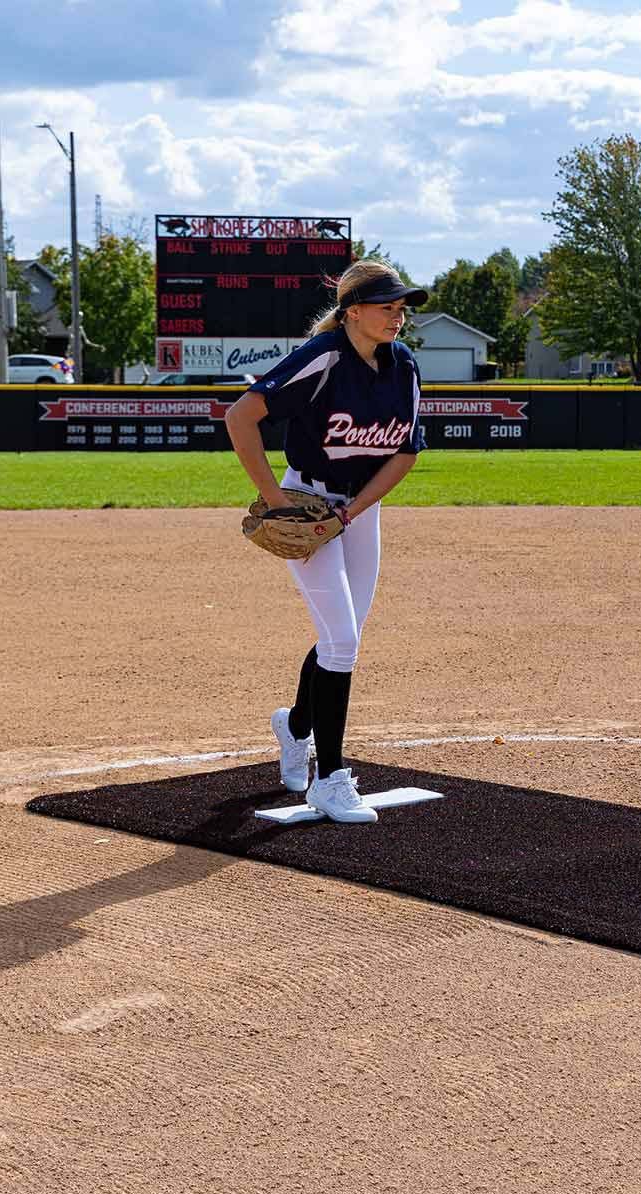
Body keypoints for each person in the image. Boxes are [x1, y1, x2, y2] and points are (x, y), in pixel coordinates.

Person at [225, 261, 428, 823]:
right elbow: (240, 416)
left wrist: (354, 513)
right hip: (308, 506)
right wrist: (275, 501)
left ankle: (293, 727)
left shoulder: (402, 364)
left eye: (401, 306)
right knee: (342, 639)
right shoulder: (324, 357)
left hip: (356, 510)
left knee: (344, 636)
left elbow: (406, 452)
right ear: (352, 311)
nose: (398, 315)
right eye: (387, 306)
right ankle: (330, 779)